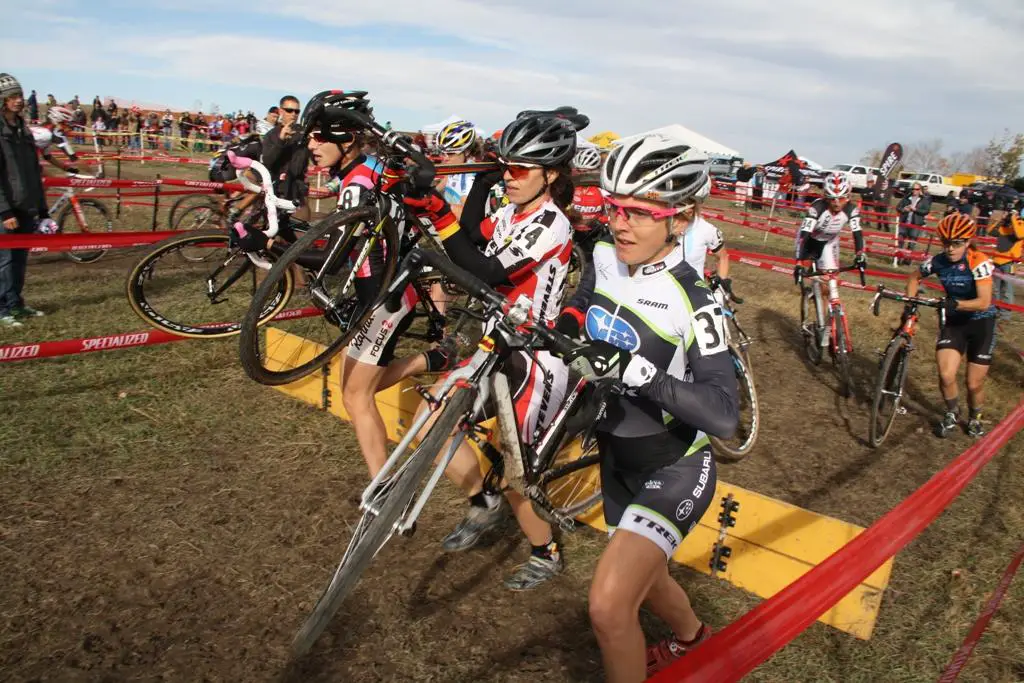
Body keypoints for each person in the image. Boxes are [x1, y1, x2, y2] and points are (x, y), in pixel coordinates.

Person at [345, 108, 584, 591]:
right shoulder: (515, 211)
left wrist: (437, 212)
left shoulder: (551, 224)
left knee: (520, 475)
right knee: (434, 422)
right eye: (506, 166)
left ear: (551, 175)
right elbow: (473, 232)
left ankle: (546, 550)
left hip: (534, 356)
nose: (510, 178)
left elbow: (484, 271)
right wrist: (481, 181)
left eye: (520, 170)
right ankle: (482, 501)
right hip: (497, 342)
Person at [552, 135, 738, 681]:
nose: (619, 223)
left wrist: (642, 374)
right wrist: (564, 326)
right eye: (613, 207)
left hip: (674, 464)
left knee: (609, 607)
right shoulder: (607, 256)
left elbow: (725, 415)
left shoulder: (695, 301)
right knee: (648, 578)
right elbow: (583, 296)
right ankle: (694, 639)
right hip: (617, 457)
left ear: (680, 221)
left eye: (638, 212)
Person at [906, 213, 997, 438]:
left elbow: (984, 302)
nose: (950, 249)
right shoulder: (938, 261)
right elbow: (913, 278)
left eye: (956, 243)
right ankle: (952, 412)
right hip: (954, 322)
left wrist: (956, 303)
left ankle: (975, 417)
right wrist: (910, 305)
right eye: (946, 243)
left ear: (967, 242)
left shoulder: (978, 261)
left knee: (973, 383)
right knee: (946, 375)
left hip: (981, 323)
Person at [0, 74, 50, 327]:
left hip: (26, 205)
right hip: (7, 209)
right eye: (12, 97)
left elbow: (33, 171)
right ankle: (2, 308)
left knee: (20, 258)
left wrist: (43, 209)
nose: (18, 101)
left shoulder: (24, 130)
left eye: (19, 96)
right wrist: (4, 212)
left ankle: (16, 303)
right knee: (5, 260)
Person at [793, 172, 866, 283]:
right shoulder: (817, 207)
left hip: (829, 242)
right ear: (826, 198)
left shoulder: (851, 209)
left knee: (831, 280)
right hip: (809, 239)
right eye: (832, 199)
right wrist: (799, 262)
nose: (837, 203)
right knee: (804, 270)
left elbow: (857, 234)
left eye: (841, 199)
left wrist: (860, 254)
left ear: (847, 197)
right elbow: (805, 234)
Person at [261, 96, 310, 215]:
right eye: (289, 110)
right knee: (271, 229)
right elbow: (267, 161)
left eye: (297, 111)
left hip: (297, 190)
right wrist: (281, 140)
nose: (294, 114)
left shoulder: (305, 133)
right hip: (275, 190)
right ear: (281, 111)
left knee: (304, 228)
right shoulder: (271, 135)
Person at [432, 119, 478, 218]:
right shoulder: (457, 167)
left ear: (467, 152)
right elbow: (446, 181)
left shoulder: (469, 175)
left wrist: (435, 206)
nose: (445, 158)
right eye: (443, 153)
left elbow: (468, 214)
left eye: (450, 153)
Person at [992, 208, 1023, 319]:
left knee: (1008, 289)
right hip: (997, 260)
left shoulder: (1021, 224)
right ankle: (995, 310)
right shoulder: (1004, 227)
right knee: (996, 288)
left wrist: (1014, 218)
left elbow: (1020, 234)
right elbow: (991, 231)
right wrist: (1001, 219)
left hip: (1011, 262)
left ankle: (1006, 314)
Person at [30, 105, 80, 174]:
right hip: (19, 160)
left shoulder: (44, 132)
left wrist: (67, 168)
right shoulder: (50, 135)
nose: (69, 129)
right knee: (44, 177)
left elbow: (48, 157)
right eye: (66, 124)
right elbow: (74, 159)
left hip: (20, 159)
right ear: (57, 122)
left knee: (45, 177)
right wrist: (95, 175)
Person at [895, 182, 932, 266]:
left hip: (915, 224)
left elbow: (926, 211)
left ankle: (907, 260)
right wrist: (904, 209)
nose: (914, 191)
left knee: (911, 243)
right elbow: (898, 207)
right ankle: (898, 258)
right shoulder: (906, 198)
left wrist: (915, 209)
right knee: (900, 242)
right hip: (904, 223)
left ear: (920, 190)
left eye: (916, 189)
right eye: (913, 189)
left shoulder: (924, 200)